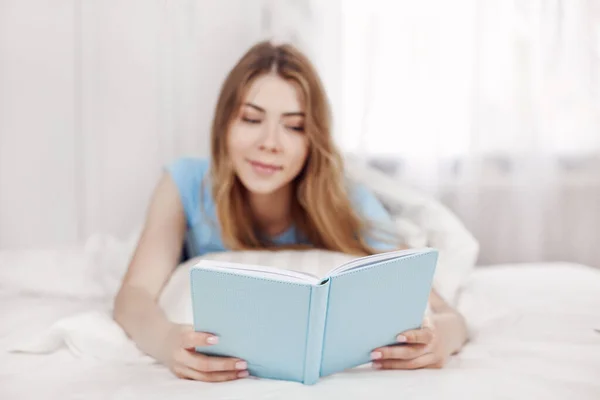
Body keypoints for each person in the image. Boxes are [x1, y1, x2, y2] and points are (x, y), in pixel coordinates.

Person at [113, 41, 468, 382]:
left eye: (294, 127)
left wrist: (444, 339)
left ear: (313, 140)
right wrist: (165, 341)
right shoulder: (185, 182)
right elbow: (134, 295)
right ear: (223, 126)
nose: (269, 142)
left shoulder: (344, 200)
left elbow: (445, 313)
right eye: (251, 119)